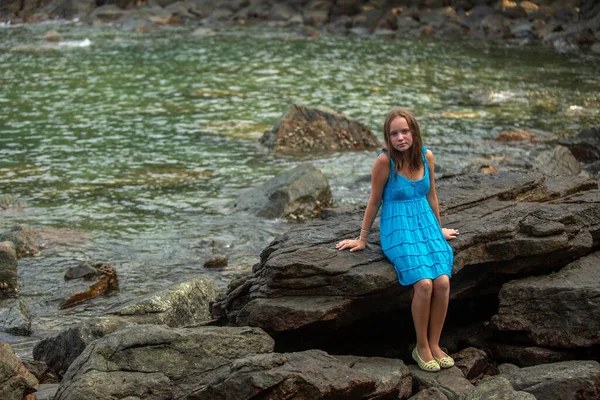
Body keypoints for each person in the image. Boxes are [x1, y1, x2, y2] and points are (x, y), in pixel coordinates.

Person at [335, 107, 459, 373]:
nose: (400, 137)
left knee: (443, 281)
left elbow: (432, 196)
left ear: (414, 131)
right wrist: (362, 238)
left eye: (405, 131)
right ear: (387, 137)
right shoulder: (384, 162)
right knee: (424, 284)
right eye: (394, 134)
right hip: (397, 227)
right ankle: (422, 346)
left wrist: (438, 230)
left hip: (425, 223)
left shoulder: (427, 157)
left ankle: (436, 344)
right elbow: (374, 200)